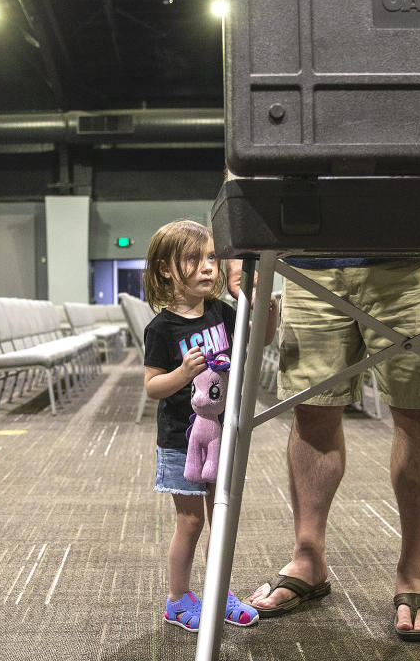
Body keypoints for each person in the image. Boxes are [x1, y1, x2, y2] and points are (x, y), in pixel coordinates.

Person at [227, 255, 420, 642]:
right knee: (311, 409)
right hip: (311, 258)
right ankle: (308, 559)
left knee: (419, 409)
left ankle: (414, 571)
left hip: (418, 257)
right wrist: (236, 248)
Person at [143, 219, 277, 632]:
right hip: (180, 440)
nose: (207, 267)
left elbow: (259, 341)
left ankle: (219, 592)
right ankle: (178, 600)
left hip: (223, 435)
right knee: (191, 521)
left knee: (221, 515)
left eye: (211, 258)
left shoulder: (220, 311)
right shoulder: (162, 328)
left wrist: (267, 311)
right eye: (193, 259)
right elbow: (152, 387)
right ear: (166, 269)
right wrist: (182, 373)